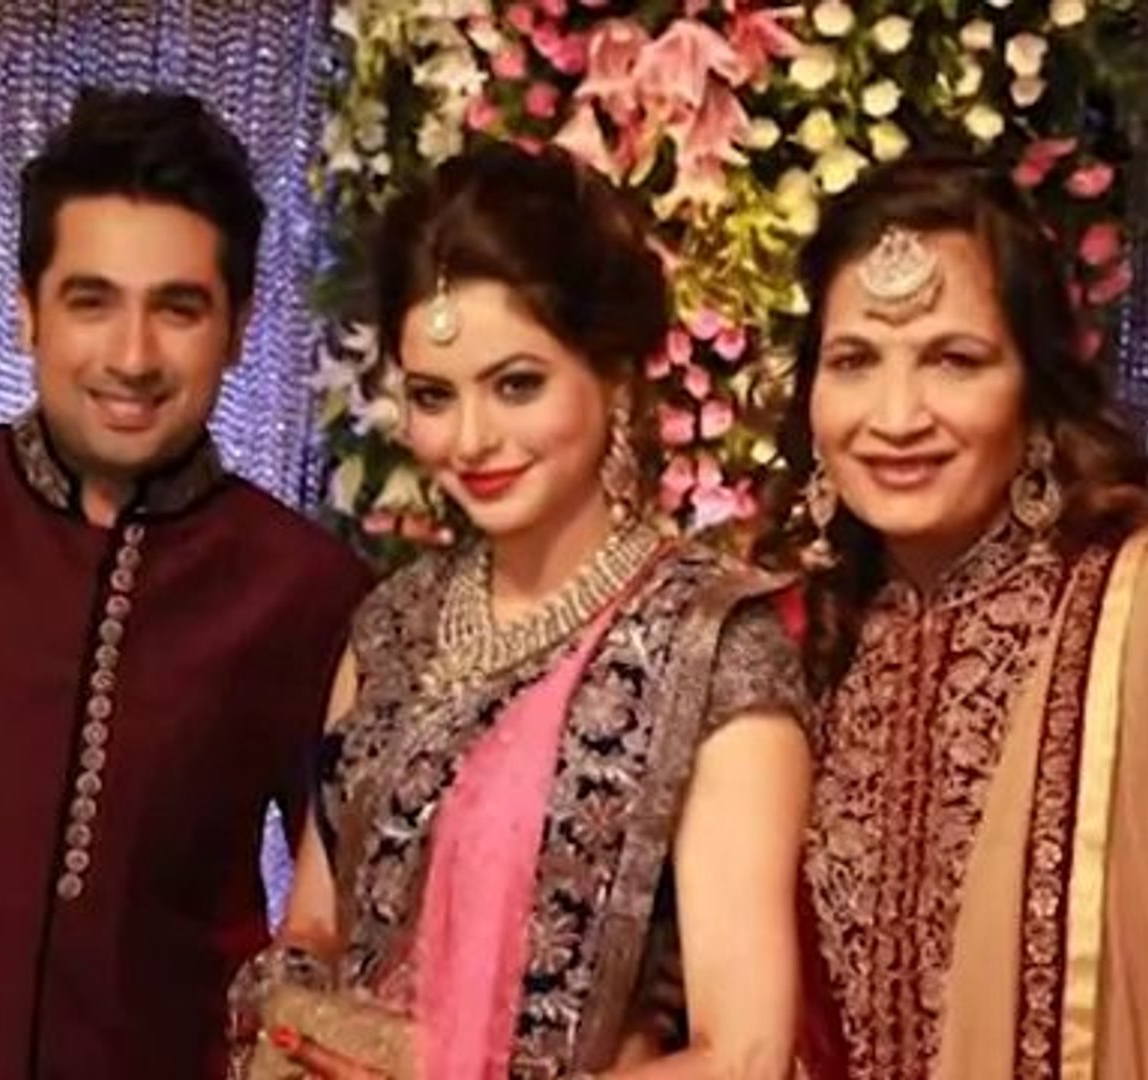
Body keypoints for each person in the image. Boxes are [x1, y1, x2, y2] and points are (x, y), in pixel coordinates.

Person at [230, 142, 812, 1079]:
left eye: (516, 385)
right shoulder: (393, 625)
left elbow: (745, 1054)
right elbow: (316, 925)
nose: (470, 439)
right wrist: (299, 1023)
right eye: (433, 396)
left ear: (612, 376)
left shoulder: (712, 647)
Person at [0, 88, 371, 1078]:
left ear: (239, 328)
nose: (132, 357)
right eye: (91, 301)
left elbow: (351, 927)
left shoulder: (310, 593)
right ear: (27, 311)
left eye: (178, 308)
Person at [769, 158, 1148, 1078]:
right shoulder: (787, 641)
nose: (896, 417)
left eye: (954, 360)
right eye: (854, 361)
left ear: (1035, 388)